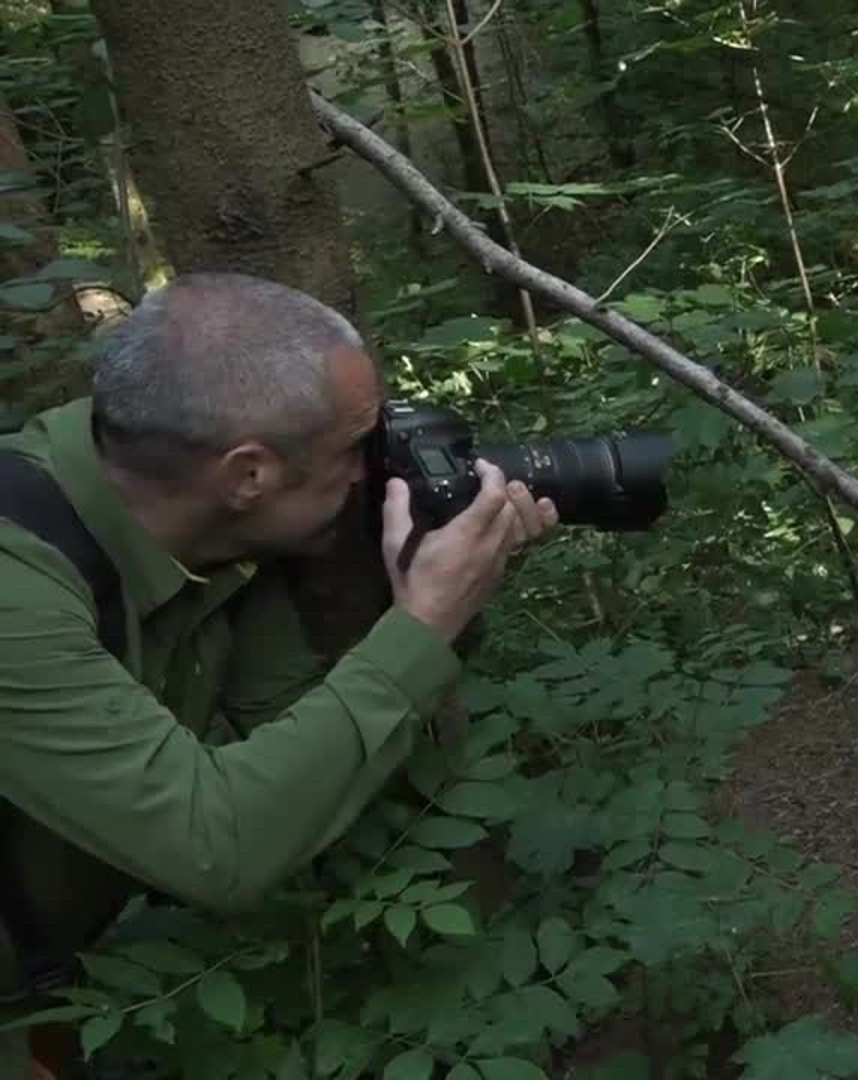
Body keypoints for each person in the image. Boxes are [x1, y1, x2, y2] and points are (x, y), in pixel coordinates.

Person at [0, 272, 558, 1079]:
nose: (377, 470)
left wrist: (420, 576)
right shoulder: (17, 588)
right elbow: (218, 845)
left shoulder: (200, 534)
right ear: (248, 476)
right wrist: (424, 623)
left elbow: (291, 753)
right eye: (354, 448)